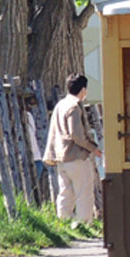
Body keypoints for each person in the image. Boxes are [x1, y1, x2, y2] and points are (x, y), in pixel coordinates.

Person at [43, 74, 101, 222]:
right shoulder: (74, 107)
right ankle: (84, 223)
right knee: (84, 193)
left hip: (61, 155)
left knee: (65, 192)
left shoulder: (60, 105)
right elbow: (76, 135)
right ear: (83, 90)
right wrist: (92, 147)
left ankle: (64, 222)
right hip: (76, 156)